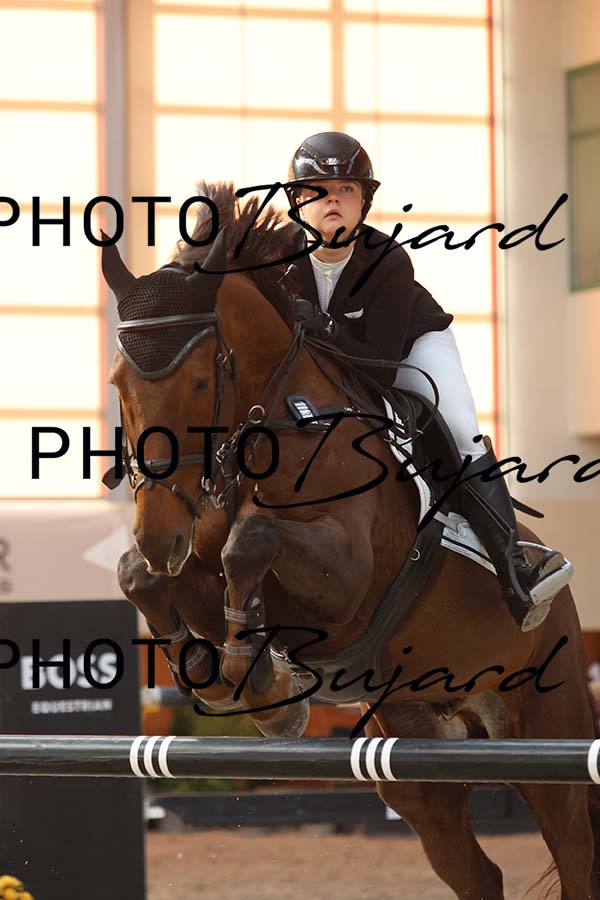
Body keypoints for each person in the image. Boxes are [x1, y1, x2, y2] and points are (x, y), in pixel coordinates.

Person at [283, 130, 571, 632]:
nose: (334, 199)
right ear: (297, 202)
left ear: (363, 202)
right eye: (320, 190)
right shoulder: (274, 258)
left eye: (347, 189)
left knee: (459, 427)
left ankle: (514, 568)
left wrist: (322, 327)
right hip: (332, 365)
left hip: (411, 349)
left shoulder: (388, 259)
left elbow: (382, 367)